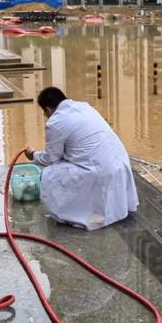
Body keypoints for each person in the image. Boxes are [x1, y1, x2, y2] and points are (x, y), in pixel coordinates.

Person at [24, 87, 139, 230]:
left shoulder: (55, 123)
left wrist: (33, 154)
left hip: (101, 170)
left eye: (44, 113)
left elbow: (50, 159)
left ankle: (74, 214)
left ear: (47, 110)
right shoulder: (84, 107)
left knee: (50, 174)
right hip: (120, 164)